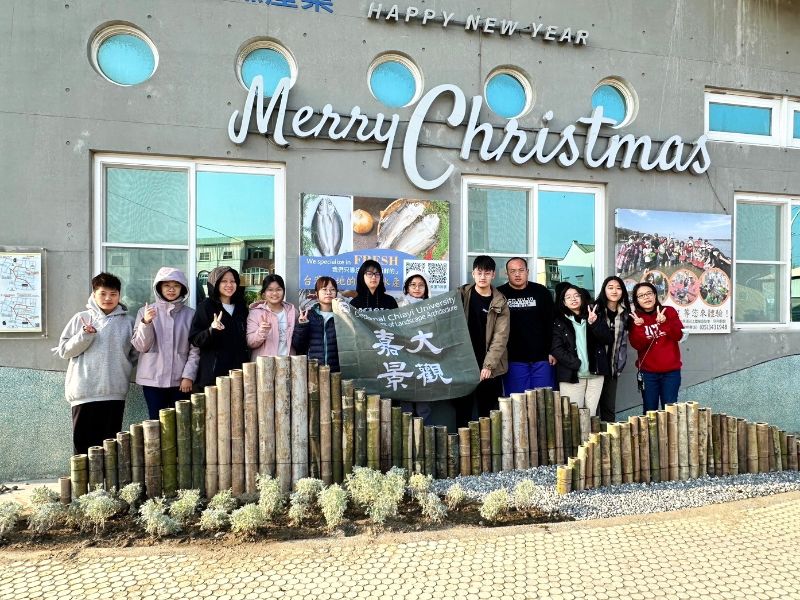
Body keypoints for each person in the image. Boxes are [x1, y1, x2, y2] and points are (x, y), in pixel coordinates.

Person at [57, 272, 136, 455]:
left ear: (119, 295)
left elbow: (134, 354)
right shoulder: (81, 318)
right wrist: (84, 335)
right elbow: (64, 351)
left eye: (113, 294)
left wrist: (118, 367)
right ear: (93, 294)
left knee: (110, 448)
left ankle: (106, 484)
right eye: (103, 293)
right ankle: (83, 484)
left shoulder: (128, 322)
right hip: (84, 392)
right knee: (83, 447)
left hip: (114, 392)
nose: (108, 298)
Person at [131, 267, 200, 419]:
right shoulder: (145, 312)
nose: (171, 289)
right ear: (159, 288)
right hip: (152, 380)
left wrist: (188, 375)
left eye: (176, 285)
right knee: (156, 423)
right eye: (166, 285)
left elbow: (195, 349)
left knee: (181, 424)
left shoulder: (190, 314)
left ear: (182, 288)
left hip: (180, 381)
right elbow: (141, 346)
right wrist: (146, 323)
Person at [454, 255, 510, 428]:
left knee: (487, 413)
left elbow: (501, 337)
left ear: (493, 275)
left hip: (489, 367)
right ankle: (462, 450)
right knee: (463, 410)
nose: (483, 277)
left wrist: (488, 366)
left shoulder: (500, 301)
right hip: (464, 364)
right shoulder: (461, 295)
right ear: (473, 273)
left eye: (487, 273)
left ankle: (486, 451)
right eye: (479, 272)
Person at [496, 257, 556, 394]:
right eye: (513, 271)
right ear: (507, 273)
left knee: (543, 401)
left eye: (521, 270)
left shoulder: (541, 292)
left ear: (527, 271)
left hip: (542, 359)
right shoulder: (499, 294)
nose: (517, 274)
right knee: (517, 402)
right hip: (513, 360)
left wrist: (553, 350)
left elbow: (552, 323)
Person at [550, 284, 612, 416]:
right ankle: (576, 438)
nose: (573, 299)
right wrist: (576, 364)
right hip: (572, 375)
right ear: (564, 302)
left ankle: (589, 437)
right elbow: (556, 348)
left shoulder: (594, 316)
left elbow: (607, 339)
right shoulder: (559, 322)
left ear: (582, 298)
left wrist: (594, 323)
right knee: (572, 415)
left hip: (595, 374)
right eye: (568, 297)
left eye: (576, 295)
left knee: (591, 414)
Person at [189, 266, 249, 389]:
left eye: (233, 281)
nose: (229, 285)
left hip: (239, 373)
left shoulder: (241, 307)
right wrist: (211, 329)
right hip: (213, 376)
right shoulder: (206, 307)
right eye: (224, 281)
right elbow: (195, 339)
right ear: (215, 283)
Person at [629, 281, 685, 412]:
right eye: (641, 296)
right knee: (650, 411)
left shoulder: (669, 311)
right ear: (637, 300)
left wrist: (665, 322)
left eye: (649, 293)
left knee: (670, 411)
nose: (646, 297)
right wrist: (639, 327)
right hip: (648, 374)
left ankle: (670, 434)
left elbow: (678, 336)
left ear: (655, 295)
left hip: (671, 373)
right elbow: (637, 345)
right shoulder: (636, 318)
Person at [594, 276, 631, 422]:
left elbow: (623, 343)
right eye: (610, 287)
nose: (614, 291)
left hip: (612, 367)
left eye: (618, 287)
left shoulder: (625, 314)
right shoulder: (594, 310)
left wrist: (620, 365)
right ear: (604, 290)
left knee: (609, 407)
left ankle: (609, 441)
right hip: (595, 366)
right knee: (592, 407)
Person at [397, 271, 433, 423]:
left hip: (425, 360)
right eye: (413, 285)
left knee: (423, 405)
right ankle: (406, 442)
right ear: (406, 287)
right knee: (406, 405)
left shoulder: (433, 307)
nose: (417, 288)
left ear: (426, 288)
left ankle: (425, 442)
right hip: (404, 360)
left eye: (421, 285)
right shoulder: (397, 306)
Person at [293, 276, 341, 371]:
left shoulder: (342, 317)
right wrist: (302, 326)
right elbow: (298, 345)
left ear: (336, 293)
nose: (328, 292)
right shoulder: (308, 316)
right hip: (314, 371)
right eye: (324, 289)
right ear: (316, 293)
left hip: (336, 371)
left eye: (332, 289)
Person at [246, 274, 297, 359]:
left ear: (283, 291)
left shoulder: (293, 312)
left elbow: (298, 340)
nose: (275, 293)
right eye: (270, 290)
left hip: (288, 364)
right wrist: (262, 331)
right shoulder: (255, 313)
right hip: (264, 366)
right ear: (264, 293)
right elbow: (250, 342)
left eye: (278, 289)